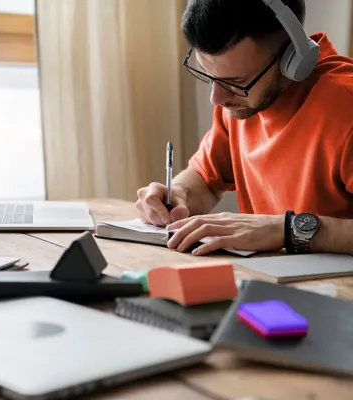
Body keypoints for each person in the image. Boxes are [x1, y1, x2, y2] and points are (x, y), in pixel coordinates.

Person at [135, 0, 353, 256]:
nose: (216, 98)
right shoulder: (240, 102)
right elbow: (206, 180)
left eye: (235, 82)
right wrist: (178, 195)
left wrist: (285, 230)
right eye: (209, 75)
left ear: (292, 60)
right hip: (273, 281)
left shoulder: (344, 108)